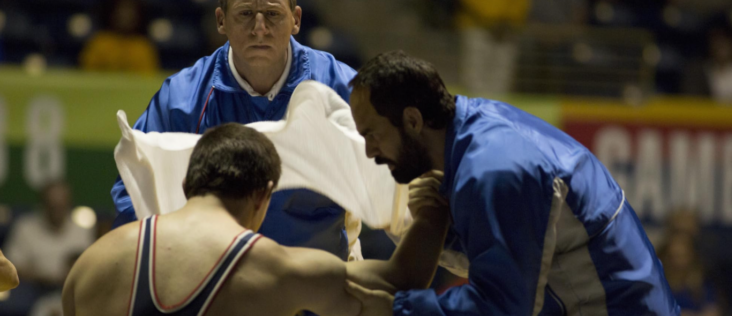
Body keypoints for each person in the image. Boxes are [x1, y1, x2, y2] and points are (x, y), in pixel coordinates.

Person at [347, 50, 680, 315]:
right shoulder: (472, 132)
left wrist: (398, 310)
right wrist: (435, 221)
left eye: (373, 134)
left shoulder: (494, 172)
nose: (369, 150)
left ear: (412, 120)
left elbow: (501, 306)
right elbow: (505, 254)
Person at [108, 0, 361, 261]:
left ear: (295, 19)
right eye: (245, 14)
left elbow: (400, 177)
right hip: (216, 282)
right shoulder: (182, 98)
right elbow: (133, 190)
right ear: (221, 21)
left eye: (272, 14)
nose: (259, 28)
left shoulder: (342, 89)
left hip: (322, 281)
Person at [63, 123, 449, 316]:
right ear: (264, 195)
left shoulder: (92, 264)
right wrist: (433, 207)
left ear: (185, 184)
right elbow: (402, 281)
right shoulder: (275, 268)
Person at [2, 181, 94, 290]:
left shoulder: (83, 228)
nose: (57, 211)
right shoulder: (25, 227)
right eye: (52, 206)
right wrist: (46, 279)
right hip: (35, 292)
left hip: (76, 290)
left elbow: (93, 266)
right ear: (43, 205)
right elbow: (13, 268)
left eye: (61, 206)